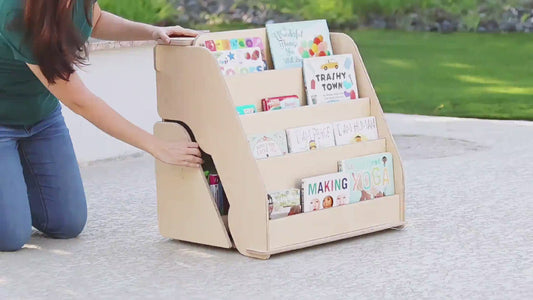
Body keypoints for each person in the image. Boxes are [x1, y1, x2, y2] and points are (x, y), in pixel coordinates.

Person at [0, 0, 203, 252]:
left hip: (41, 118)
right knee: (10, 236)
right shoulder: (13, 10)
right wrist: (157, 146)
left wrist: (151, 32)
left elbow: (95, 20)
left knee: (67, 223)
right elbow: (80, 101)